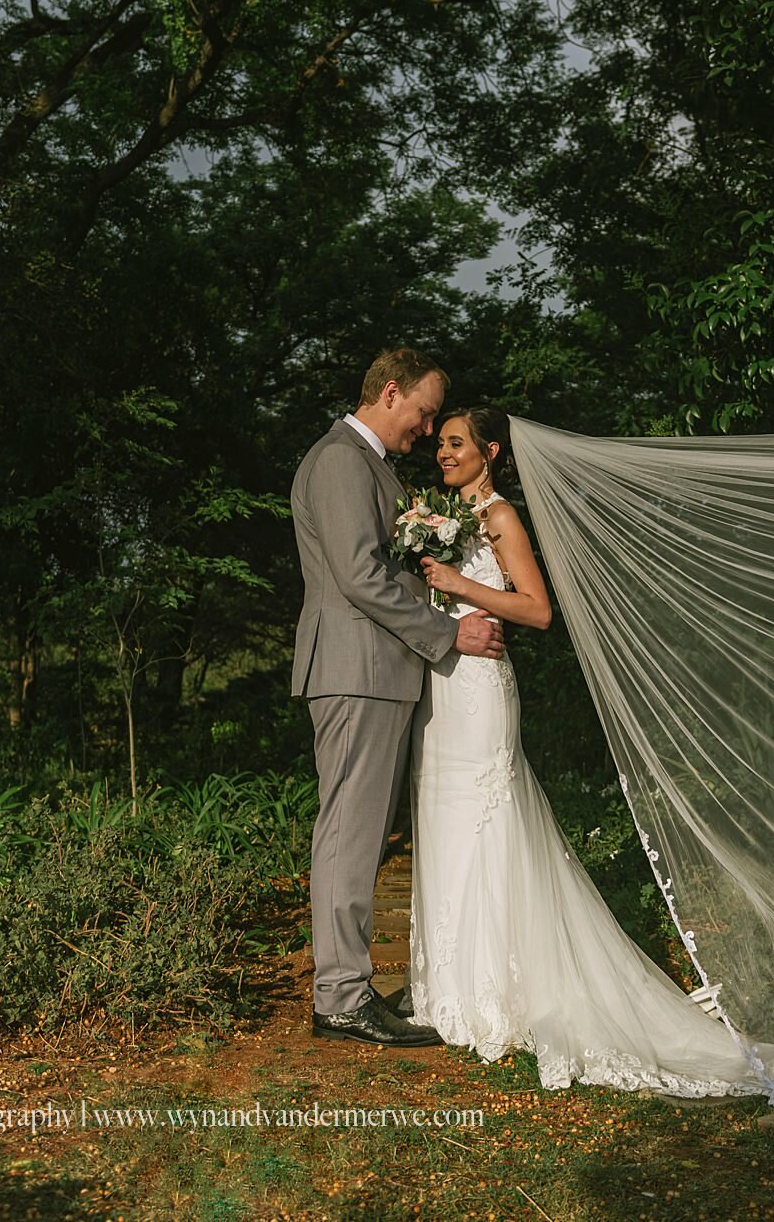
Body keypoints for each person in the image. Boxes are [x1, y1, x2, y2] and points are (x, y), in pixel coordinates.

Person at [405, 405, 774, 1098]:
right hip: (440, 687)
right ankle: (449, 986)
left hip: (482, 691)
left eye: (456, 443)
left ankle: (495, 990)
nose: (444, 453)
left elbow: (537, 609)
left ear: (490, 451)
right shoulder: (438, 517)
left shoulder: (499, 517)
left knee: (485, 822)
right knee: (443, 821)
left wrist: (460, 587)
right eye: (440, 444)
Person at [290, 349, 506, 1047]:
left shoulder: (369, 466)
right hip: (356, 671)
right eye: (423, 410)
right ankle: (341, 998)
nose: (427, 426)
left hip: (376, 671)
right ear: (390, 392)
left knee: (360, 834)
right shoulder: (340, 462)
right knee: (349, 833)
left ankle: (348, 988)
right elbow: (358, 575)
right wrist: (445, 632)